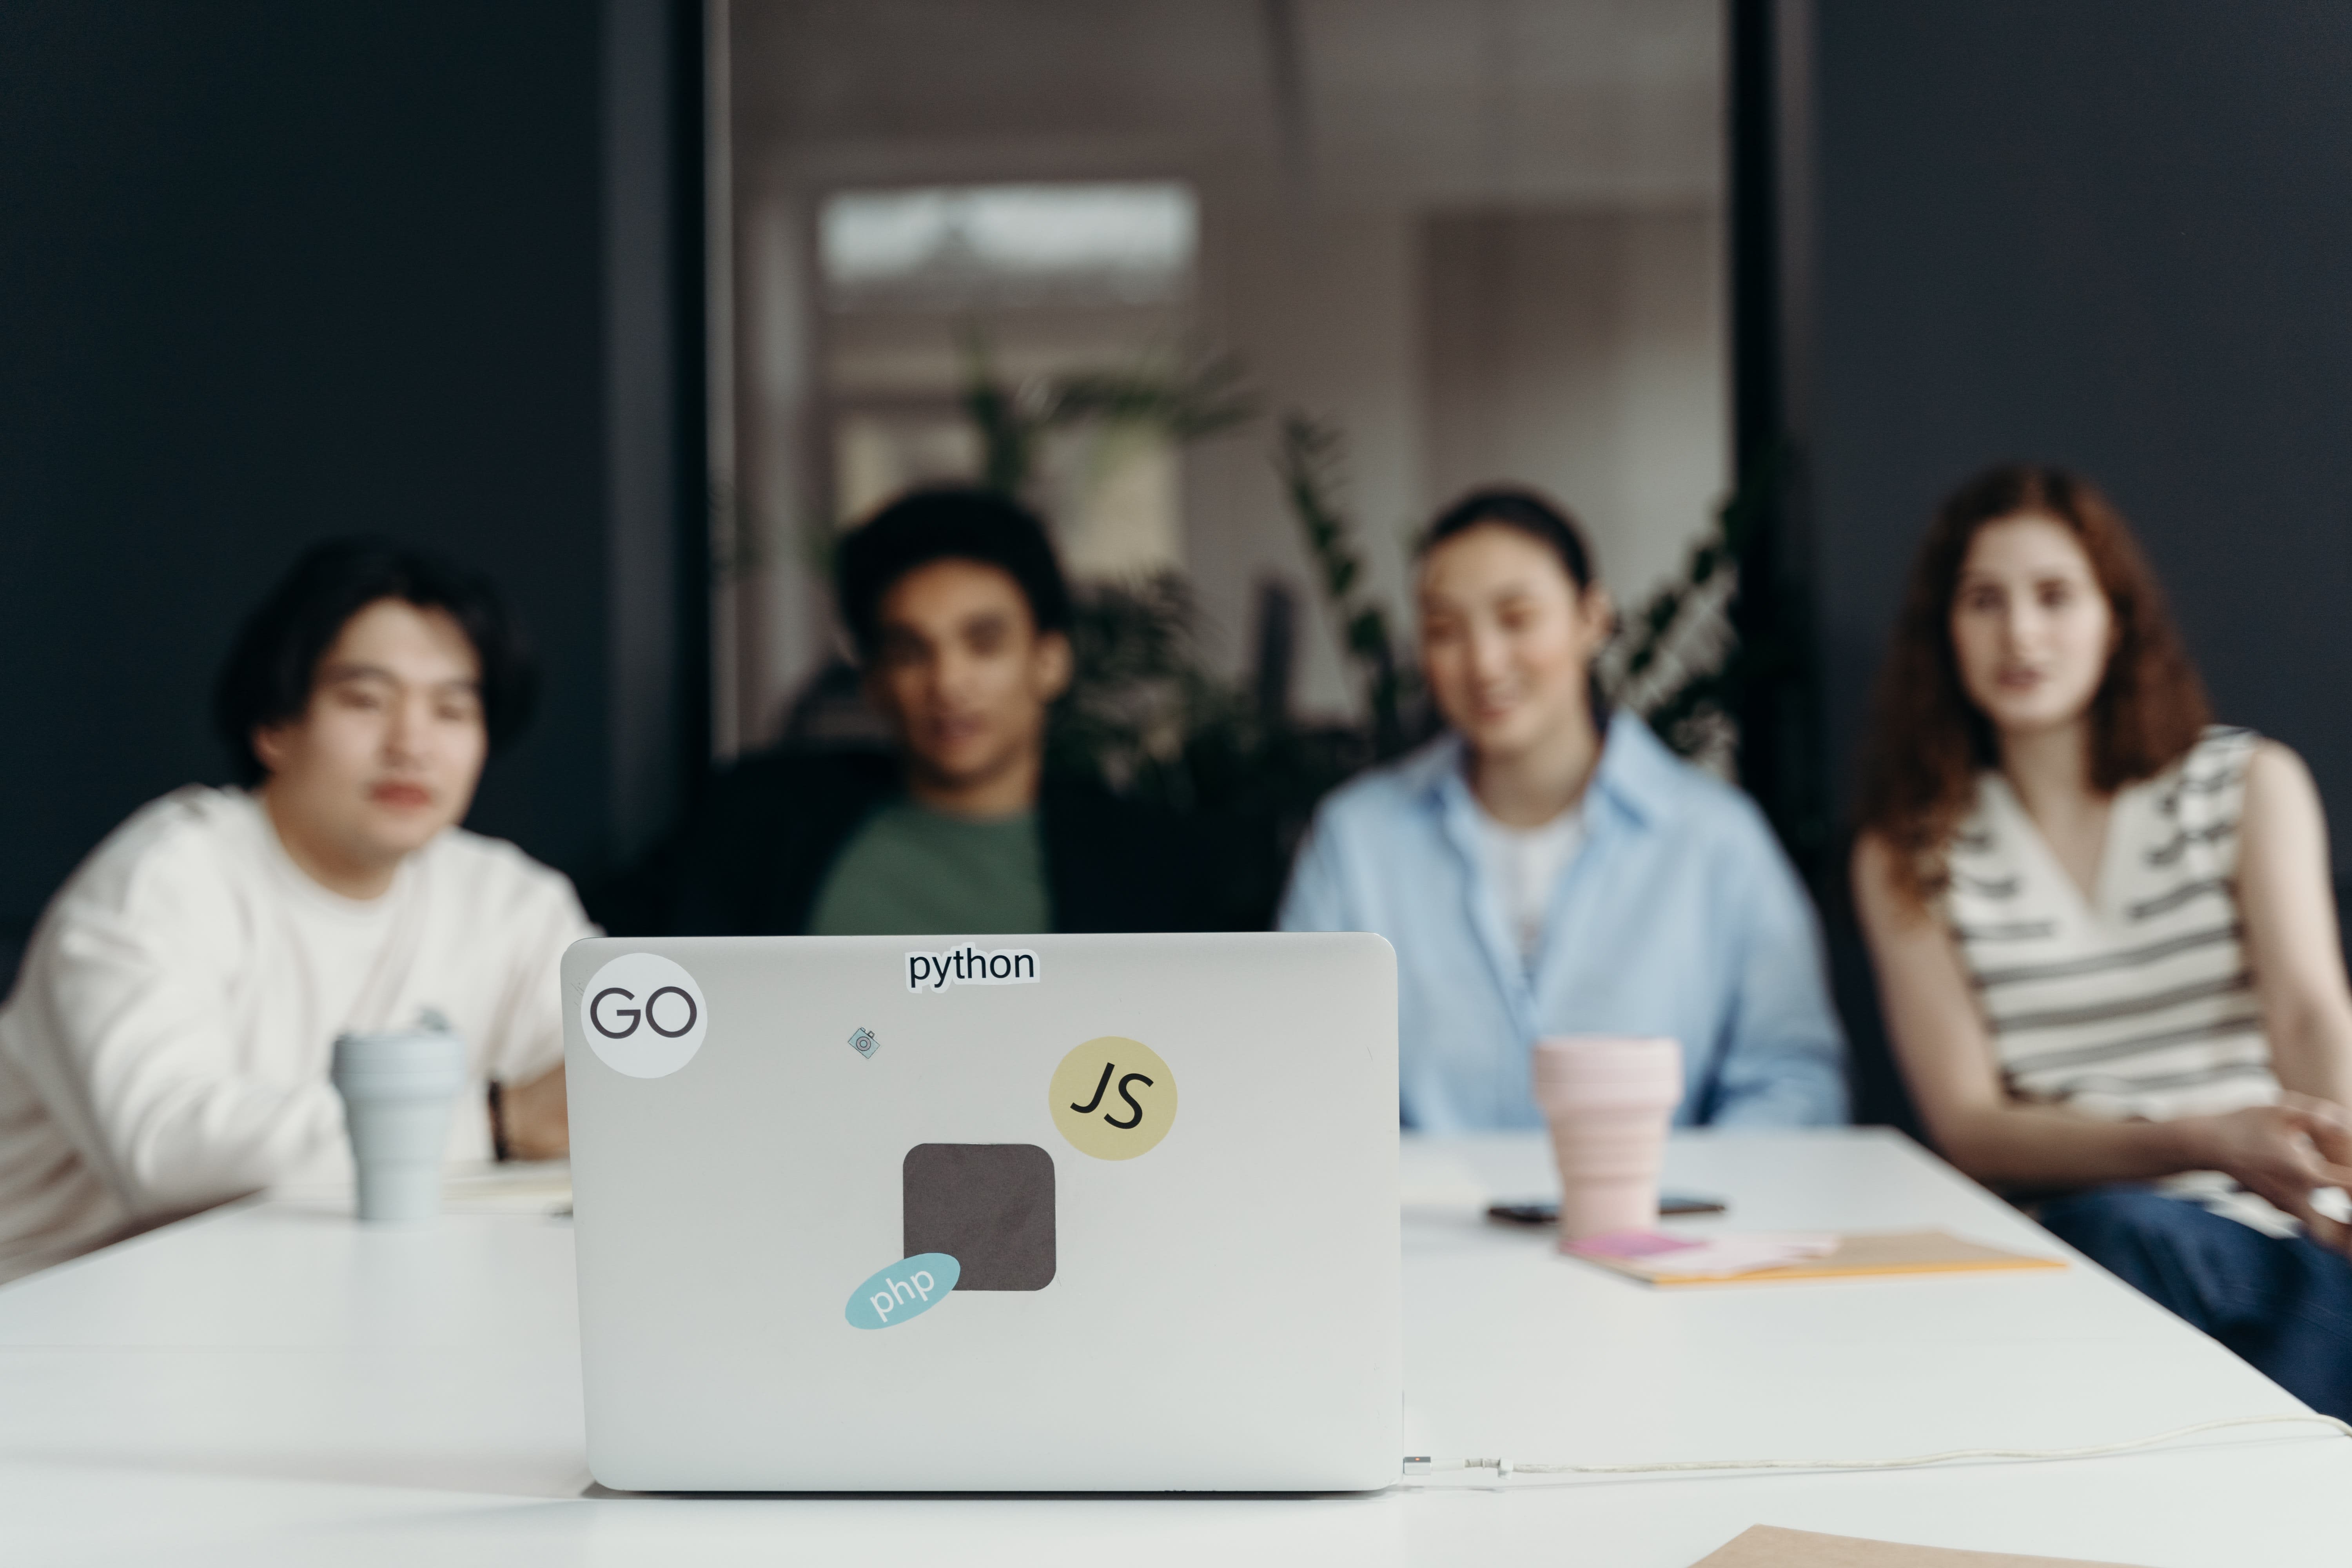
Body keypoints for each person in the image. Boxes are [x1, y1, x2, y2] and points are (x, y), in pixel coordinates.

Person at [1852, 463, 2352, 1417]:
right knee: (2126, 1238)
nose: (2021, 634)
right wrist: (2203, 1139)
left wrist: (2339, 1178)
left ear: (2115, 616)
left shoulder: (2244, 785)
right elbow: (1969, 1125)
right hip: (2083, 1236)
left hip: (2275, 1225)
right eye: (1984, 601)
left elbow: (2311, 1012)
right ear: (1944, 633)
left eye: (2054, 595)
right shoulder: (1909, 849)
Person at [0, 540, 588, 1283]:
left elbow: (600, 1093)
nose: (411, 744)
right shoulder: (163, 880)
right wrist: (500, 1121)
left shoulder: (511, 901)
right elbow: (167, 1151)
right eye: (365, 701)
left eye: (452, 709)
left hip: (317, 1289)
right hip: (57, 1303)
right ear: (275, 726)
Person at [1279, 487, 1847, 1131]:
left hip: (1658, 1225)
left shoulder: (1714, 838)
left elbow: (1794, 1079)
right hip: (1414, 1229)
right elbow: (1299, 1075)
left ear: (1592, 618)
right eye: (1444, 631)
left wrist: (1678, 1206)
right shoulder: (1356, 840)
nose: (1485, 662)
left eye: (1517, 618)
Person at [653, 486, 1198, 936]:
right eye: (910, 651)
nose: (948, 683)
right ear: (874, 682)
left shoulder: (1147, 861)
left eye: (984, 644)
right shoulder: (759, 820)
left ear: (1050, 661)